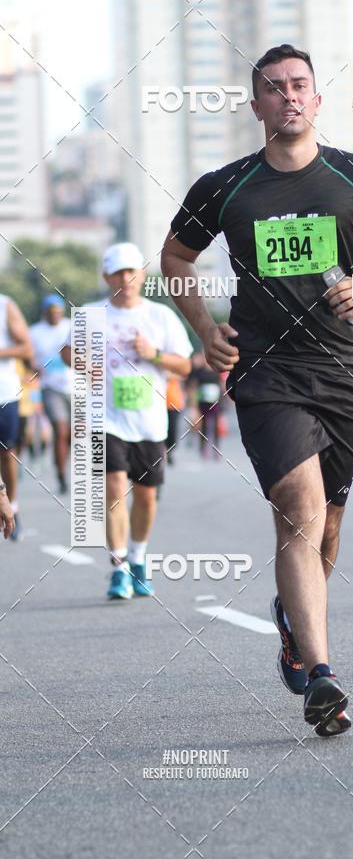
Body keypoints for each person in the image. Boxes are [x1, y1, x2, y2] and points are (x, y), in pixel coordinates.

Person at [161, 44, 353, 735]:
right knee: (297, 506)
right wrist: (202, 326)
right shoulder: (224, 187)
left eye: (300, 85)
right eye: (274, 88)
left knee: (328, 527)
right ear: (255, 105)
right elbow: (175, 257)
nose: (288, 96)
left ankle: (291, 618)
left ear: (317, 100)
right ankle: (322, 675)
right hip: (265, 373)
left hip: (341, 372)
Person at [62, 242, 192, 599]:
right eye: (118, 272)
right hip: (104, 418)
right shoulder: (91, 313)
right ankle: (118, 568)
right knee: (114, 488)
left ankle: (138, 559)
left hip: (149, 420)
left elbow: (184, 365)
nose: (126, 278)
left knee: (147, 497)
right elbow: (66, 351)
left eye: (131, 271)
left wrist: (154, 355)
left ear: (142, 274)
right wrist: (81, 361)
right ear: (106, 277)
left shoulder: (160, 316)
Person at [29, 294, 72, 493]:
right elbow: (27, 357)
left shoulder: (71, 326)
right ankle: (61, 474)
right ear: (44, 313)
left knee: (74, 434)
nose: (55, 316)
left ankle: (65, 462)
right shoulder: (35, 332)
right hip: (50, 387)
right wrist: (34, 366)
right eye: (50, 312)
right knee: (61, 430)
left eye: (58, 312)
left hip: (76, 386)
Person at [0, 294, 33, 541]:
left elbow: (26, 348)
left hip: (5, 394)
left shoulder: (5, 305)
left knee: (7, 454)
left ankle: (13, 505)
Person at [187, 351, 224, 459]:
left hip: (215, 403)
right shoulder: (199, 372)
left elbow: (222, 385)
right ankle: (203, 449)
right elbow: (193, 387)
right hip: (202, 403)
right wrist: (192, 403)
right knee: (203, 427)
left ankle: (216, 449)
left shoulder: (216, 371)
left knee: (216, 426)